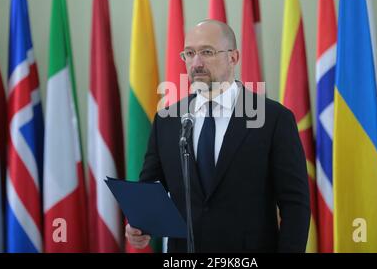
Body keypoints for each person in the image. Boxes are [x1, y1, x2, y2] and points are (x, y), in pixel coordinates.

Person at [125, 20, 310, 252]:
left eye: (207, 52)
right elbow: (151, 188)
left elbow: (295, 203)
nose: (197, 63)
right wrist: (140, 224)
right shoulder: (167, 121)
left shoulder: (273, 119)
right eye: (189, 53)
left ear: (233, 57)